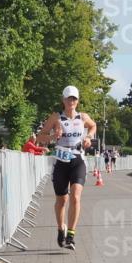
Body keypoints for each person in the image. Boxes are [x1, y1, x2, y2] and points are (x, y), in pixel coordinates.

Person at [35, 85, 96, 250]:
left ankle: (71, 234)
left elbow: (93, 125)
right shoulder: (56, 118)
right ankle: (60, 227)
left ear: (78, 101)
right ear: (63, 100)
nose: (72, 101)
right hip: (61, 162)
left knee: (76, 196)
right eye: (69, 98)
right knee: (62, 200)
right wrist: (53, 136)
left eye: (74, 98)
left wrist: (89, 137)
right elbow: (40, 137)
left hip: (77, 160)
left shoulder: (83, 117)